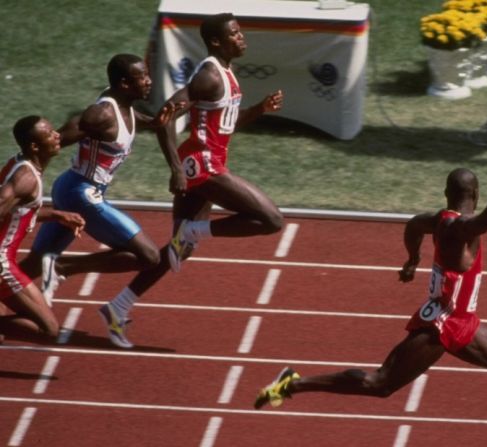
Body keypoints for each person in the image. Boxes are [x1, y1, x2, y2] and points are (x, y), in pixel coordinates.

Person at [253, 153, 487, 447]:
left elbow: (414, 226)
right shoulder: (460, 228)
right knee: (379, 384)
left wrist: (412, 259)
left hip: (461, 319)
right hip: (441, 324)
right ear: (477, 194)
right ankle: (293, 383)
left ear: (447, 194)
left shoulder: (439, 219)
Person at [97, 12, 284, 349]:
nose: (242, 38)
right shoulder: (210, 75)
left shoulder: (226, 74)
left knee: (177, 252)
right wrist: (176, 168)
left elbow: (226, 122)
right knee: (271, 220)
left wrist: (259, 110)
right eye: (235, 34)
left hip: (206, 162)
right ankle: (194, 229)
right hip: (202, 166)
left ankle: (118, 306)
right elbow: (165, 116)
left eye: (241, 32)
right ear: (216, 41)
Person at [9, 54, 180, 310]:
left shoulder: (124, 106)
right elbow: (60, 138)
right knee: (149, 256)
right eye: (142, 76)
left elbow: (127, 120)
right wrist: (24, 171)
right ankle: (61, 267)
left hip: (74, 189)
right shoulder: (100, 114)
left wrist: (153, 123)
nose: (148, 81)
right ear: (124, 83)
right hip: (81, 193)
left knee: (35, 262)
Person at [0, 116, 85, 341]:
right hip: (1, 263)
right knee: (48, 330)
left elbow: (17, 212)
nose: (57, 135)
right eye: (49, 134)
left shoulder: (20, 163)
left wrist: (57, 215)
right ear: (35, 146)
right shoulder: (25, 177)